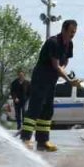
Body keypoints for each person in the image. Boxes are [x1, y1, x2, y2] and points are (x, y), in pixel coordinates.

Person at [21, 20, 77, 152]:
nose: (72, 35)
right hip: (41, 77)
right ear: (63, 30)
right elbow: (56, 65)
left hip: (52, 79)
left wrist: (65, 73)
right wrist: (68, 79)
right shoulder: (53, 42)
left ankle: (43, 141)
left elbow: (65, 61)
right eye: (71, 32)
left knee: (47, 110)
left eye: (74, 32)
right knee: (36, 107)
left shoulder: (69, 44)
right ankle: (25, 139)